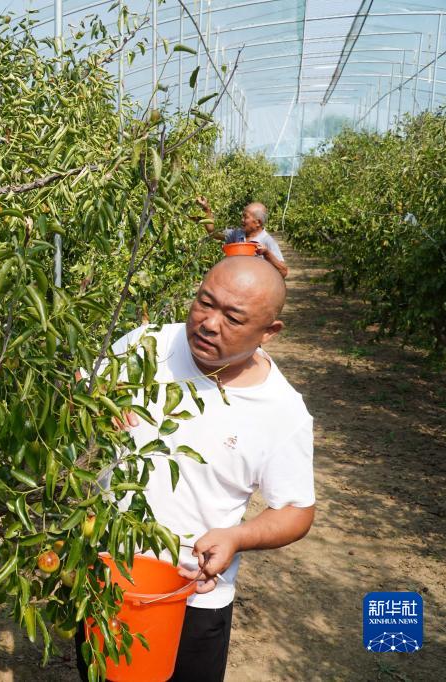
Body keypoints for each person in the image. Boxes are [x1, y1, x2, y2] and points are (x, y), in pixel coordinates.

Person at [77, 257, 315, 682]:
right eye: (205, 303)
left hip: (192, 596)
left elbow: (296, 511)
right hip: (107, 577)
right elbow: (84, 389)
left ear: (269, 332)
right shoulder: (147, 344)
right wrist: (91, 401)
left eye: (233, 318)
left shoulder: (281, 411)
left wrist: (236, 538)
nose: (209, 324)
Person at [195, 197, 289, 279]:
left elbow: (283, 272)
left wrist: (266, 253)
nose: (242, 220)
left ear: (258, 222)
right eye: (242, 216)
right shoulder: (236, 234)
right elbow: (213, 233)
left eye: (245, 217)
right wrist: (206, 209)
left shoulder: (268, 241)